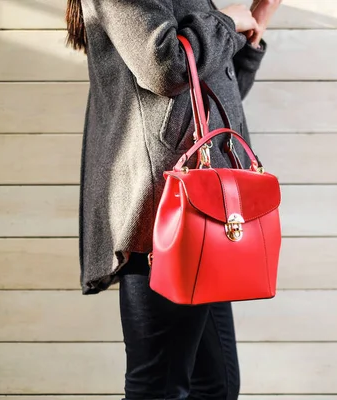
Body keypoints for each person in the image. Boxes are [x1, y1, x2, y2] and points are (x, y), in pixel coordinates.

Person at [66, 0, 281, 398]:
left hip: (204, 217)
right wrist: (225, 21)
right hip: (165, 218)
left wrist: (254, 27)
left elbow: (212, 102)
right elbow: (165, 67)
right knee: (160, 386)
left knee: (215, 386)